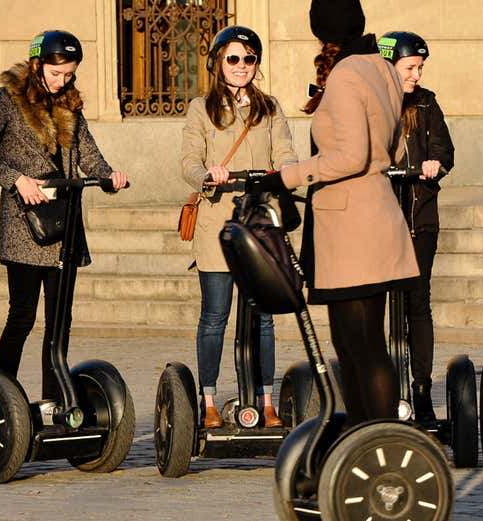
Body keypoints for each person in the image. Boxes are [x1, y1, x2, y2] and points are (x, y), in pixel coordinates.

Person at [256, 0, 420, 425]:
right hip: (379, 214)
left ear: (320, 29)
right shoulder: (381, 67)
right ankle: (374, 440)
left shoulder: (347, 74)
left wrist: (285, 177)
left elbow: (349, 157)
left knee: (355, 347)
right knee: (369, 346)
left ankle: (373, 442)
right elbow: (395, 148)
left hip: (350, 226)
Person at [0, 30, 128, 405]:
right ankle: (2, 395)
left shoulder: (71, 105)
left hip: (64, 225)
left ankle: (52, 403)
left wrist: (110, 176)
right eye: (55, 74)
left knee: (59, 323)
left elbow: (90, 156)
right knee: (21, 317)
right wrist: (16, 180)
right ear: (37, 66)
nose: (61, 81)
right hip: (25, 225)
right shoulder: (6, 101)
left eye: (68, 74)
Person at [180, 25, 298, 429]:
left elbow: (285, 151)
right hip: (217, 224)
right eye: (234, 58)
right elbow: (189, 162)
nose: (242, 66)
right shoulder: (202, 108)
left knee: (263, 315)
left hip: (258, 222)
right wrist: (207, 174)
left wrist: (286, 170)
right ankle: (209, 400)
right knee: (215, 314)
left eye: (249, 59)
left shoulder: (269, 107)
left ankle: (265, 401)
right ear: (218, 63)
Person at [377, 31, 454, 423]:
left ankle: (420, 390)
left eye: (420, 68)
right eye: (411, 67)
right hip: (378, 220)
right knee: (378, 306)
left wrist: (434, 164)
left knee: (417, 304)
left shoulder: (426, 103)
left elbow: (445, 150)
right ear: (389, 66)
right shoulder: (370, 103)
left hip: (419, 217)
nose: (417, 75)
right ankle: (381, 390)